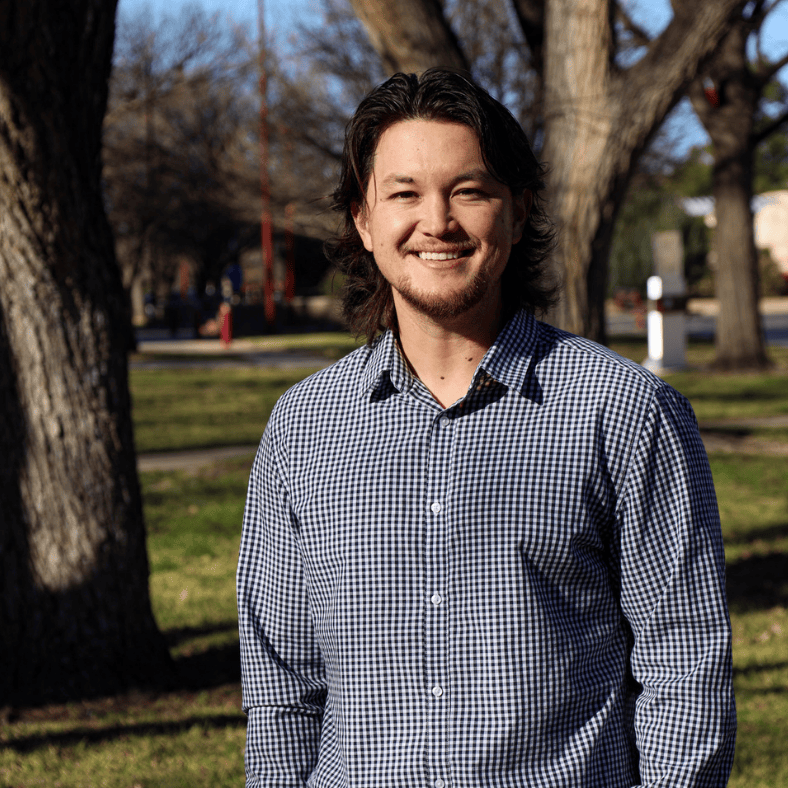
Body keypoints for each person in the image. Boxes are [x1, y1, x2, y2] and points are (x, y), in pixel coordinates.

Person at [237, 69, 736, 787]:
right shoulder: (302, 428)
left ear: (519, 211)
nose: (437, 221)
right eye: (404, 194)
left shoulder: (625, 411)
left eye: (468, 191)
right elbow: (283, 687)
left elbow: (685, 667)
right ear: (363, 220)